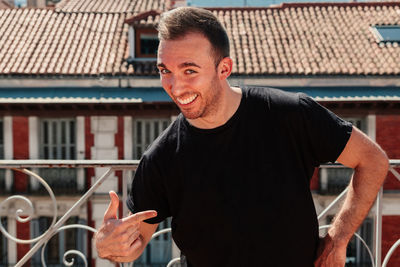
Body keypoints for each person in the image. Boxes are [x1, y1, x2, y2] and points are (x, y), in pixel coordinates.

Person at [94, 7, 389, 267]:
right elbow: (132, 244)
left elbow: (373, 160)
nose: (175, 86)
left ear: (224, 68)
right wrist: (108, 246)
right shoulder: (161, 158)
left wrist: (337, 240)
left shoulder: (290, 114)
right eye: (165, 70)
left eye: (189, 70)